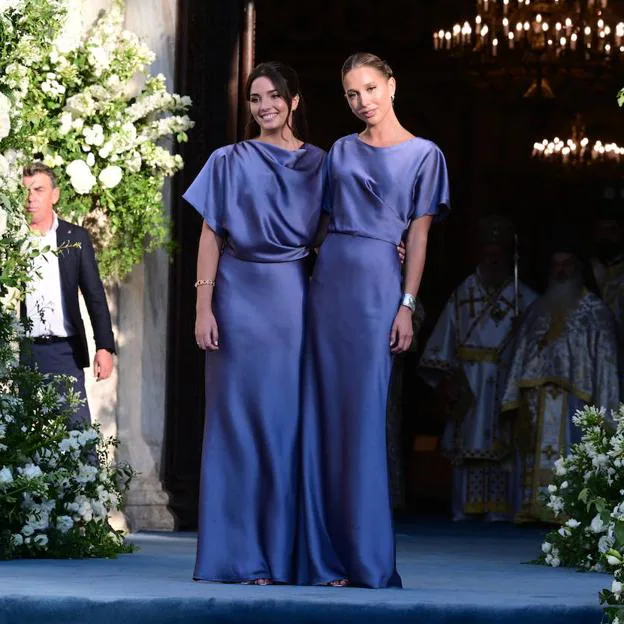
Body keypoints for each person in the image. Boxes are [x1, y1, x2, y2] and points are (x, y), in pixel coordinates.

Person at [296, 52, 450, 589]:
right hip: (329, 283)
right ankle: (322, 558)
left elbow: (421, 236)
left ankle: (364, 558)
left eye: (370, 88)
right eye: (351, 94)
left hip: (379, 290)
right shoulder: (339, 150)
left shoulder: (426, 156)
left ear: (392, 85)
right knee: (322, 417)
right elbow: (316, 222)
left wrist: (407, 304)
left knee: (363, 420)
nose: (363, 101)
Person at [183, 62, 325, 585]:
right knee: (237, 426)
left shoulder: (320, 164)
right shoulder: (228, 159)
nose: (264, 106)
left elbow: (336, 231)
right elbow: (209, 236)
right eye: (254, 98)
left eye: (273, 96)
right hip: (237, 299)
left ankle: (288, 554)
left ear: (294, 101)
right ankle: (240, 557)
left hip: (293, 298)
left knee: (286, 427)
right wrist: (204, 307)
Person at [419, 215, 537, 522]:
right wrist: (448, 380)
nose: (493, 257)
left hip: (505, 382)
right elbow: (443, 340)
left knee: (504, 449)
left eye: (499, 251)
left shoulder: (526, 298)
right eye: (488, 251)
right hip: (469, 380)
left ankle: (500, 514)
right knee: (468, 445)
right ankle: (463, 511)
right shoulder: (463, 293)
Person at [500, 235, 620, 523]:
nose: (561, 271)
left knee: (571, 454)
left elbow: (606, 364)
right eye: (556, 265)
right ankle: (532, 510)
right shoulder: (538, 308)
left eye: (567, 265)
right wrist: (513, 393)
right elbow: (518, 356)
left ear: (578, 268)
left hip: (576, 402)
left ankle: (570, 515)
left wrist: (607, 409)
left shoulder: (595, 311)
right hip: (536, 399)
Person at [20, 162, 115, 426]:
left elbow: (94, 295)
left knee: (77, 433)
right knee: (24, 434)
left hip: (65, 351)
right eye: (25, 190)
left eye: (38, 189)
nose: (30, 198)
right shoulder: (12, 239)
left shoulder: (75, 237)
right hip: (24, 352)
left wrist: (104, 347)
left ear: (55, 195)